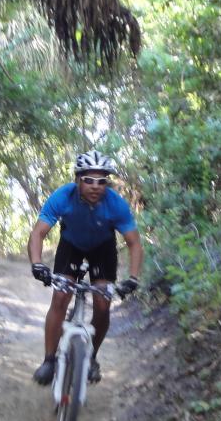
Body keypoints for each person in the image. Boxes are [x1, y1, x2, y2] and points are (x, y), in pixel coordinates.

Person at [27, 150, 144, 386]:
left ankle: (91, 357)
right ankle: (49, 360)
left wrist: (133, 278)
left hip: (103, 248)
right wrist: (37, 264)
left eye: (101, 181)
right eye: (89, 180)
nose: (95, 186)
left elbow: (134, 243)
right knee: (61, 296)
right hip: (72, 245)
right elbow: (38, 233)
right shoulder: (63, 196)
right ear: (78, 180)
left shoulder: (115, 204)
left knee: (103, 304)